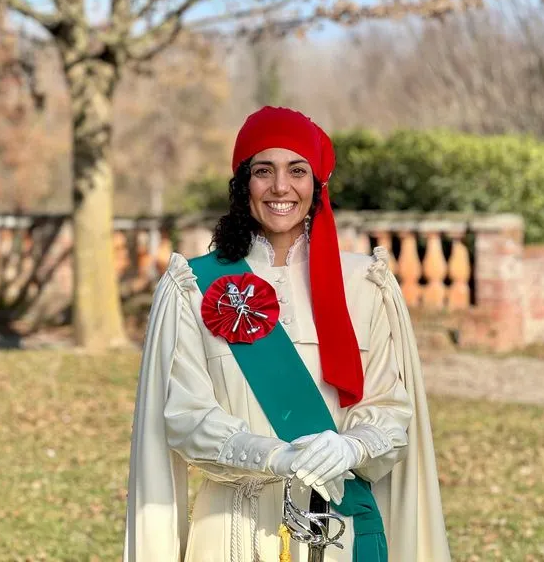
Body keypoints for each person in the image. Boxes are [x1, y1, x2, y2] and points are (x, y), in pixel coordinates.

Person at [123, 106, 451, 562]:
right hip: (232, 535)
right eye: (264, 171)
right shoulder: (193, 286)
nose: (281, 187)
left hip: (340, 534)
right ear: (244, 183)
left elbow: (391, 412)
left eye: (297, 170)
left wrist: (352, 446)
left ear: (316, 184)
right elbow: (186, 419)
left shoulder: (366, 284)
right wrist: (274, 456)